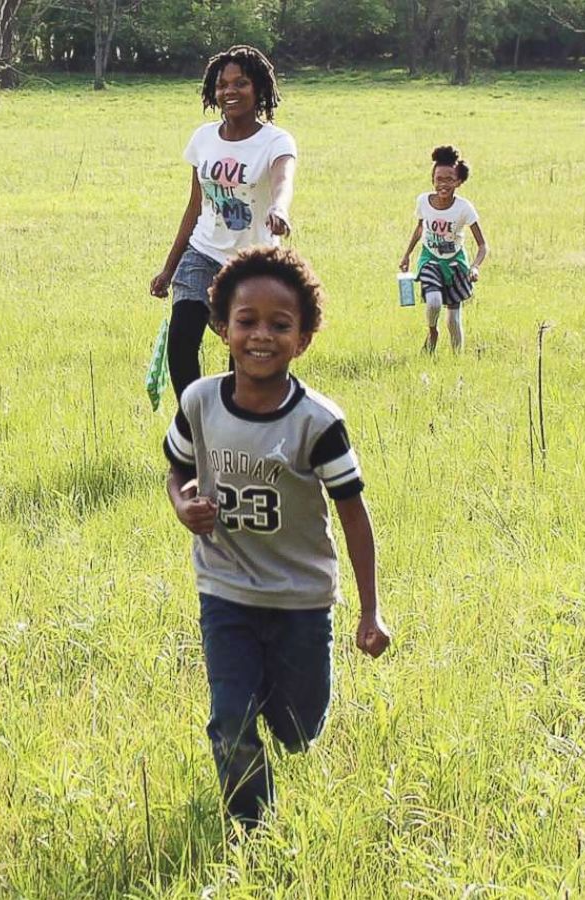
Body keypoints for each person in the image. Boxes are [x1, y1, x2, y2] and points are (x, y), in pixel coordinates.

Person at [162, 247, 391, 830]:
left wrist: (370, 610)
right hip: (226, 588)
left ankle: (283, 714)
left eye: (280, 324)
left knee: (297, 728)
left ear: (304, 338)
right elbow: (177, 469)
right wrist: (183, 502)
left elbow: (353, 515)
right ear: (222, 328)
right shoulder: (199, 402)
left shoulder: (318, 422)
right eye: (247, 321)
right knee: (231, 720)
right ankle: (253, 829)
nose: (261, 336)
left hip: (300, 598)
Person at [150, 45, 298, 402]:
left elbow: (283, 181)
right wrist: (169, 269)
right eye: (222, 84)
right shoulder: (203, 139)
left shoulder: (276, 141)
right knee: (182, 338)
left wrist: (280, 209)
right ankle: (193, 420)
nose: (229, 91)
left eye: (241, 83)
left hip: (253, 262)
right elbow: (194, 207)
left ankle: (237, 420)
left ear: (259, 89)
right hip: (202, 252)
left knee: (244, 352)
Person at [399, 145, 489, 354]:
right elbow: (420, 227)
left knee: (453, 321)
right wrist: (407, 255)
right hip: (430, 259)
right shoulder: (423, 201)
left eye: (449, 179)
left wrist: (475, 267)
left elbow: (483, 245)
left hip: (456, 264)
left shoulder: (464, 208)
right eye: (439, 179)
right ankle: (432, 332)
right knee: (433, 301)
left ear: (458, 181)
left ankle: (457, 359)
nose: (443, 184)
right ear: (432, 180)